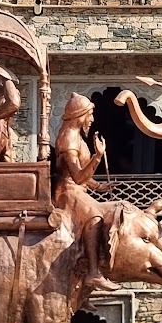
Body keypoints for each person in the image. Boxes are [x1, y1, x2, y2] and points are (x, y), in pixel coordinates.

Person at [52, 94, 115, 293]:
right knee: (95, 218)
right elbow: (77, 177)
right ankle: (93, 272)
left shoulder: (76, 136)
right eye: (90, 114)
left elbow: (81, 174)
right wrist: (97, 157)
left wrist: (98, 187)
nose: (92, 119)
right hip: (67, 192)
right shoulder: (68, 137)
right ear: (80, 115)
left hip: (78, 189)